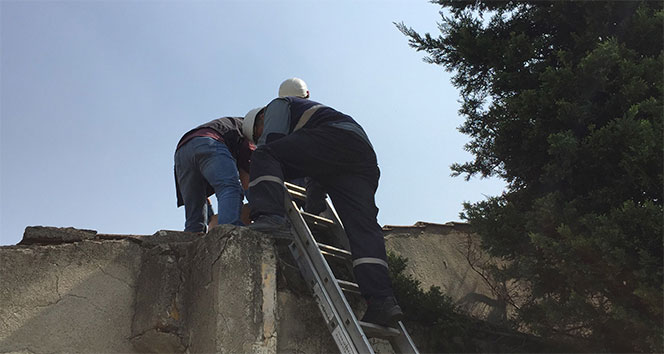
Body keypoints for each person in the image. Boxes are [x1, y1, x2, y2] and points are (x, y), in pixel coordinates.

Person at [242, 97, 403, 327]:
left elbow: (271, 143)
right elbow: (315, 179)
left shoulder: (277, 106)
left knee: (263, 155)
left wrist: (267, 182)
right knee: (362, 228)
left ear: (261, 119)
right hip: (360, 155)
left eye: (257, 134)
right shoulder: (314, 131)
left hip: (336, 139)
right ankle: (382, 301)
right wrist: (312, 206)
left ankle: (270, 218)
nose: (259, 137)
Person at [174, 116, 252, 232]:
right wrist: (257, 204)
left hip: (182, 150)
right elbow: (246, 176)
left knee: (195, 211)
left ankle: (193, 237)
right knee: (229, 187)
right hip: (208, 141)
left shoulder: (232, 124)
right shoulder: (248, 131)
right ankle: (229, 232)